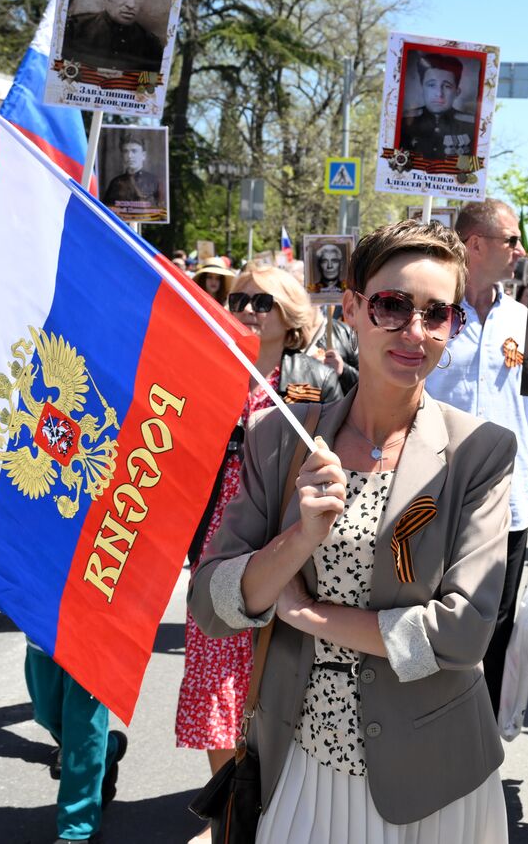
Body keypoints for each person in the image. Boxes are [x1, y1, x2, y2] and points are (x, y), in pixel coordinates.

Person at [190, 220, 515, 842]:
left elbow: (463, 636)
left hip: (434, 776)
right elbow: (212, 604)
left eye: (436, 313)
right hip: (300, 758)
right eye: (393, 307)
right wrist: (298, 540)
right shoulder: (282, 438)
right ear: (355, 308)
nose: (414, 333)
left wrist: (310, 616)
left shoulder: (480, 452)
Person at [177, 265, 340, 841]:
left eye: (262, 300)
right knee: (218, 685)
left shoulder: (315, 381)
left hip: (284, 549)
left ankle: (282, 807)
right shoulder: (207, 369)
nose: (246, 307)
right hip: (215, 554)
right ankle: (232, 814)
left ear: (291, 319)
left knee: (276, 680)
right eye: (238, 297)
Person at [426, 198, 528, 718]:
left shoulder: (522, 320)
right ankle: (425, 740)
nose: (521, 250)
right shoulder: (431, 313)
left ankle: (477, 755)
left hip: (506, 509)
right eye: (511, 239)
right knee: (432, 626)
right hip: (433, 501)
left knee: (494, 631)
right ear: (475, 245)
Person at [24, 644, 128, 844]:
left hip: (91, 635)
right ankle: (104, 750)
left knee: (82, 729)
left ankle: (77, 827)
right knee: (47, 713)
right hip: (41, 630)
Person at [400, 52, 476, 159]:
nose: (439, 93)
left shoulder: (472, 126)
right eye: (431, 85)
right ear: (422, 88)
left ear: (457, 92)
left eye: (447, 86)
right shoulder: (403, 122)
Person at [102, 135, 162, 209]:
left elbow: (161, 209)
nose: (129, 156)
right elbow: (106, 210)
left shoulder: (154, 181)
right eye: (125, 151)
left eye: (134, 151)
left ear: (143, 155)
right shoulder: (115, 183)